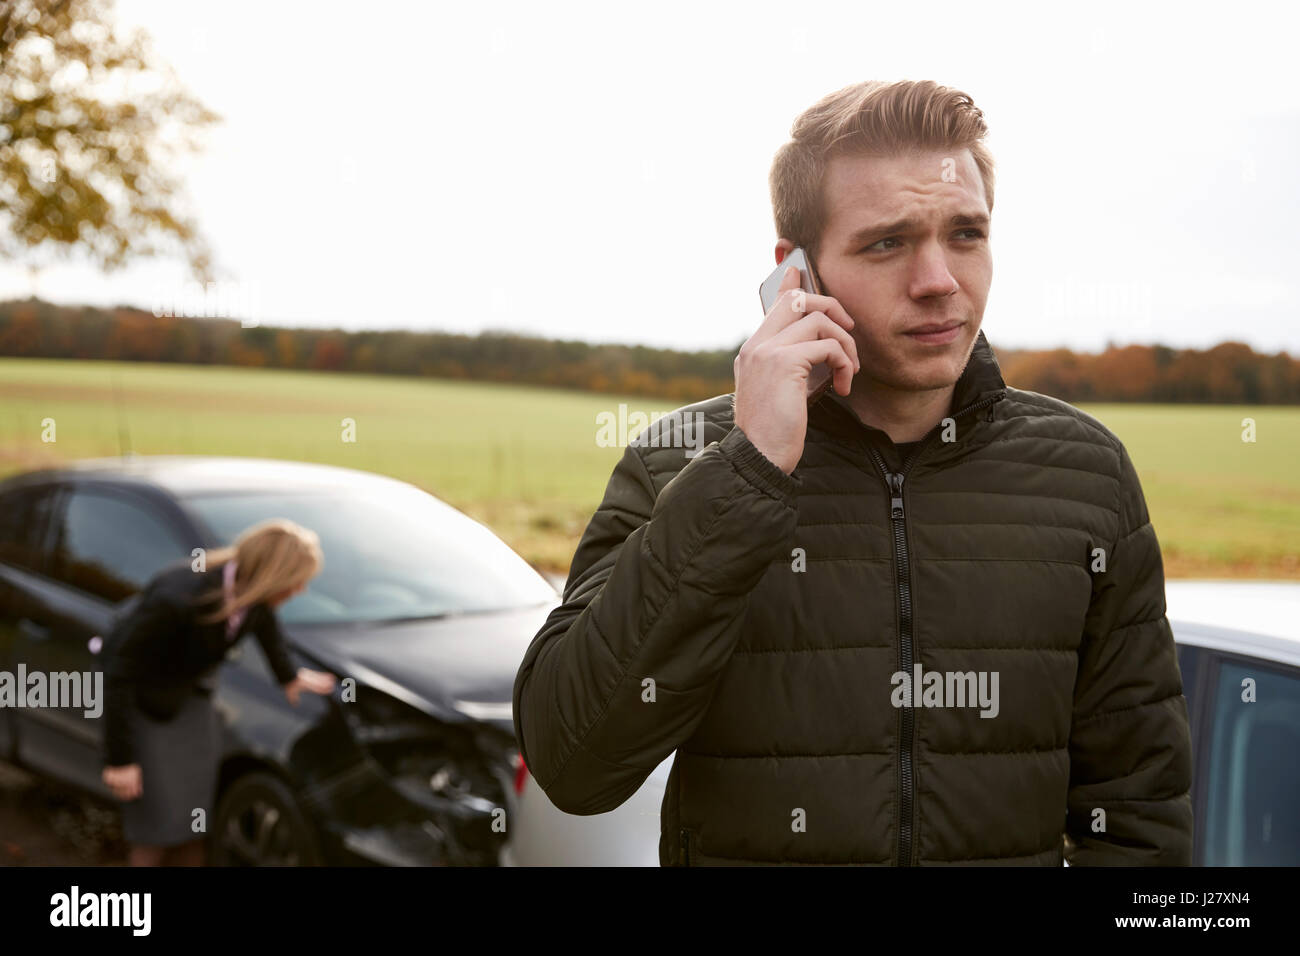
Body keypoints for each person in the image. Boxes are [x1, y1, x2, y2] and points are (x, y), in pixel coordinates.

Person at [513, 79, 1193, 866]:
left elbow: (1140, 819)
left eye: (965, 234)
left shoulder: (1088, 475)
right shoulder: (680, 462)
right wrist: (748, 471)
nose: (939, 279)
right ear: (796, 274)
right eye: (887, 243)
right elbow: (573, 761)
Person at [101, 518, 338, 866]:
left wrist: (288, 676)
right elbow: (117, 674)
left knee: (194, 821)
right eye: (296, 580)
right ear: (271, 576)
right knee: (157, 829)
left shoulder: (252, 594)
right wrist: (120, 760)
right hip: (145, 706)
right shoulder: (178, 599)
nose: (300, 590)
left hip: (188, 701)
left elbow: (263, 622)